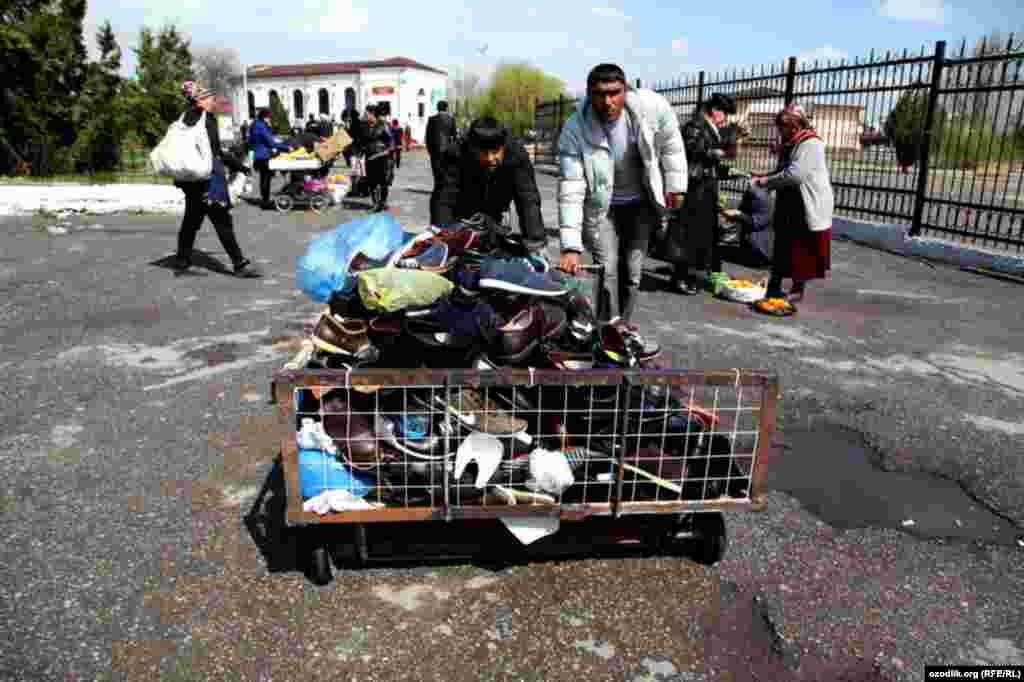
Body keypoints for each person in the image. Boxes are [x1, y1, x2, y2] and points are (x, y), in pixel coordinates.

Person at [557, 63, 687, 322]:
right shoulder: (575, 127)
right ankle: (605, 328)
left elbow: (672, 145)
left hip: (640, 205)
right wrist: (570, 245)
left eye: (614, 93)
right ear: (589, 93)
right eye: (600, 94)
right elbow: (570, 186)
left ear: (625, 90)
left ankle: (623, 326)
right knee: (607, 270)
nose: (607, 101)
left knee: (633, 272)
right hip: (601, 209)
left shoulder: (652, 108)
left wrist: (676, 186)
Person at [172, 81, 261, 277]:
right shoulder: (206, 120)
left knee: (191, 221)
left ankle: (182, 259)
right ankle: (240, 264)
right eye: (209, 97)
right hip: (208, 180)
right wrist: (239, 166)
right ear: (200, 99)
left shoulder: (184, 118)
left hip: (191, 180)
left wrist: (238, 167)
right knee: (222, 221)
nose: (213, 101)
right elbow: (215, 152)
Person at [750, 103, 834, 303]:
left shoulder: (810, 144)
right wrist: (764, 177)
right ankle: (774, 284)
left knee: (801, 247)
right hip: (789, 202)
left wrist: (767, 182)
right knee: (782, 245)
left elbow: (795, 175)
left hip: (806, 203)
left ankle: (797, 290)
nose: (780, 133)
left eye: (783, 129)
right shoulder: (793, 143)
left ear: (795, 127)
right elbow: (783, 170)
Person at [433, 117, 547, 256]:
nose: (490, 158)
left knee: (497, 250)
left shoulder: (517, 155)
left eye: (495, 152)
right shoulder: (455, 154)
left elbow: (527, 199)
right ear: (472, 148)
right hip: (462, 215)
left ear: (503, 146)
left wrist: (535, 243)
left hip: (496, 213)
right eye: (484, 153)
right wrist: (442, 237)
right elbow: (444, 199)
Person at [668, 93, 736, 295]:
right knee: (687, 232)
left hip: (705, 185)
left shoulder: (708, 126)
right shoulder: (695, 125)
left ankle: (692, 274)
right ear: (715, 110)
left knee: (701, 233)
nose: (725, 119)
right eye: (724, 114)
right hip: (694, 186)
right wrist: (713, 152)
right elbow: (689, 150)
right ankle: (680, 277)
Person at [249, 107, 291, 209]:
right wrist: (287, 148)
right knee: (266, 179)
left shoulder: (256, 125)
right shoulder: (261, 127)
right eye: (269, 118)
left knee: (264, 178)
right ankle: (265, 202)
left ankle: (264, 200)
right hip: (263, 156)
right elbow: (271, 142)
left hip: (259, 155)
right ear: (264, 117)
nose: (270, 120)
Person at [426, 101, 457, 221]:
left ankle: (438, 189)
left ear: (437, 108)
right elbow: (454, 136)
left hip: (435, 151)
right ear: (447, 108)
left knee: (436, 172)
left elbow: (428, 137)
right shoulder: (451, 119)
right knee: (446, 172)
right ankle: (443, 191)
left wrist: (430, 151)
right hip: (448, 151)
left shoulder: (431, 119)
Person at [363, 104, 394, 212]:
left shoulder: (383, 125)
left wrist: (386, 152)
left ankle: (383, 202)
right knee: (371, 182)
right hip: (369, 157)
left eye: (366, 113)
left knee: (383, 181)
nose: (365, 115)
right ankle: (375, 203)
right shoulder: (365, 126)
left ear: (372, 114)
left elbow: (391, 141)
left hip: (382, 157)